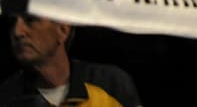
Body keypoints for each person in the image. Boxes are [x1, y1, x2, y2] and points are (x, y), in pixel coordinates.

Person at [0, 13, 141, 107]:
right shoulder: (6, 98)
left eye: (31, 20)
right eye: (12, 22)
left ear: (63, 30)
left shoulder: (112, 83)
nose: (17, 32)